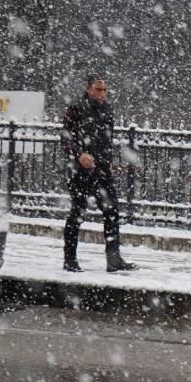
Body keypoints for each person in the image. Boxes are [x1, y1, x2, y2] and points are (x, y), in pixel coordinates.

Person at [60, 73, 137, 273]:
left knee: (111, 212)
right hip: (80, 171)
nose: (101, 93)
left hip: (101, 170)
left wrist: (108, 163)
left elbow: (106, 142)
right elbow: (66, 138)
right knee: (77, 213)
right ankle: (70, 259)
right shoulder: (76, 108)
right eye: (98, 89)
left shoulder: (108, 109)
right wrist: (79, 155)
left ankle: (114, 259)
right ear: (88, 89)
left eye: (104, 89)